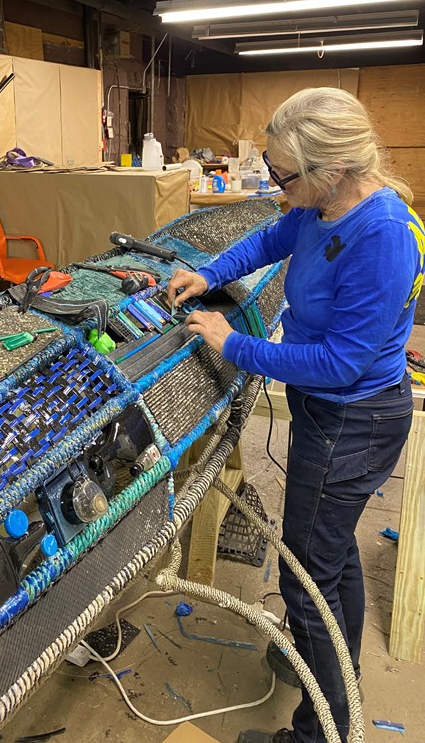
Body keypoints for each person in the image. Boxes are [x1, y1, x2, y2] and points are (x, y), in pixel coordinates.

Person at [167, 87, 425, 743]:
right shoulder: (318, 208)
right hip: (335, 414)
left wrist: (234, 345)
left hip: (353, 421)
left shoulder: (382, 235)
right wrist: (207, 272)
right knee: (332, 562)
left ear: (332, 169)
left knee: (305, 577)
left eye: (286, 174)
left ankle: (324, 729)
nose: (279, 185)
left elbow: (340, 363)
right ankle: (340, 677)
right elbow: (271, 237)